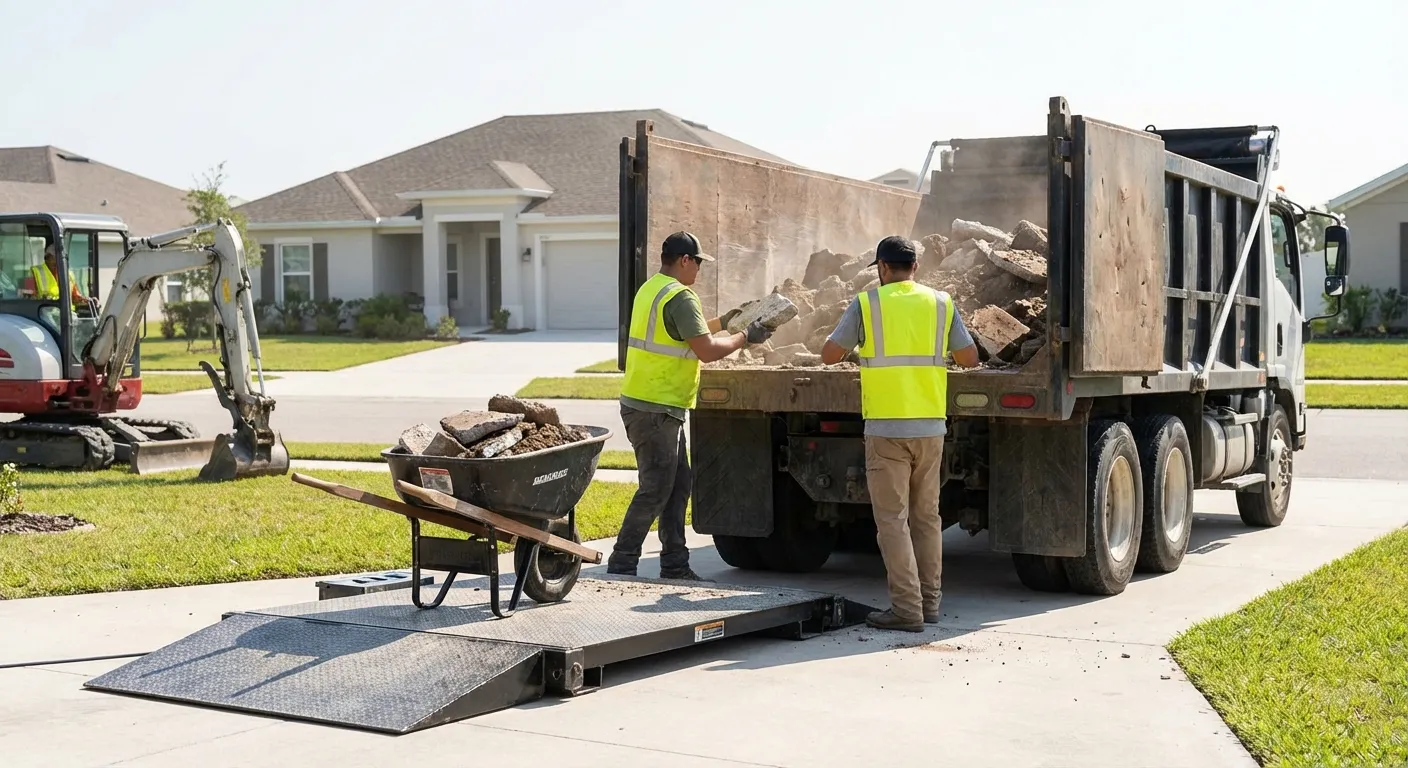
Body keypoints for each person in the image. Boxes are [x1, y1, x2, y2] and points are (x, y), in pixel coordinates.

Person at [821, 235, 980, 632]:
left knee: (893, 521)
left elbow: (829, 354)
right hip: (930, 428)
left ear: (881, 267)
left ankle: (906, 610)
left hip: (887, 429)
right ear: (916, 268)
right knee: (927, 518)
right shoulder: (941, 302)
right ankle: (929, 605)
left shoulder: (867, 303)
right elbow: (969, 358)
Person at [612, 231, 774, 581]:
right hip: (655, 408)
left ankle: (675, 564)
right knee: (657, 487)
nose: (699, 271)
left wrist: (727, 323)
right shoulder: (681, 296)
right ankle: (622, 562)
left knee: (677, 483)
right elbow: (707, 351)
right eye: (698, 263)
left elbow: (688, 334)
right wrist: (747, 336)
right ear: (685, 260)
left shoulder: (652, 287)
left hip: (652, 405)